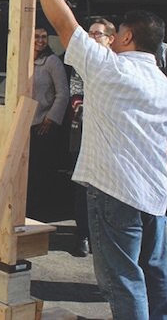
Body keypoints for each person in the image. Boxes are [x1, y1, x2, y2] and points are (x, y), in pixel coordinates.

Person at [21, 0, 167, 320]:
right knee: (154, 271)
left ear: (125, 37)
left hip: (115, 193)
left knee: (123, 277)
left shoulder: (110, 70)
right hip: (155, 196)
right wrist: (151, 176)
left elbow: (66, 27)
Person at [67, 18, 116, 257]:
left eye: (98, 34)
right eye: (90, 33)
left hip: (111, 138)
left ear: (110, 39)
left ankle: (104, 236)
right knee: (82, 186)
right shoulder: (82, 64)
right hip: (84, 132)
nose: (92, 37)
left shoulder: (118, 65)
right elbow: (75, 94)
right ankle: (83, 235)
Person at [26, 26, 69, 219]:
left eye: (44, 37)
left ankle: (39, 211)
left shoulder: (52, 62)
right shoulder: (23, 60)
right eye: (36, 36)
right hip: (24, 123)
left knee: (39, 170)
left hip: (43, 124)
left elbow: (62, 94)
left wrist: (50, 118)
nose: (40, 40)